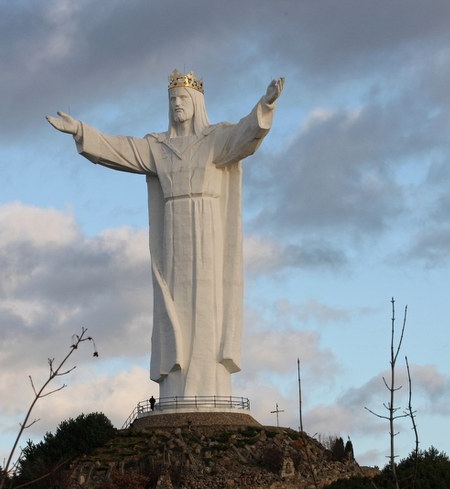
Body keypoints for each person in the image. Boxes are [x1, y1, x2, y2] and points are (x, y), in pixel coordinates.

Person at [48, 70, 284, 400]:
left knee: (207, 303)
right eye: (172, 99)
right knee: (174, 304)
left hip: (207, 228)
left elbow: (246, 134)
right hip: (173, 230)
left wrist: (266, 103)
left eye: (183, 98)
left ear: (196, 102)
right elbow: (121, 150)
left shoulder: (214, 139)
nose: (177, 104)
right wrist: (80, 130)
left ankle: (209, 384)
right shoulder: (159, 147)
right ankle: (176, 384)